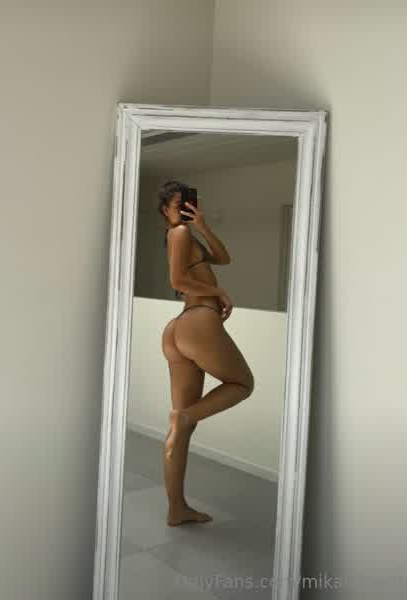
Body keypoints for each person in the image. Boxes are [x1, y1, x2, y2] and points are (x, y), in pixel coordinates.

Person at [158, 180, 255, 526]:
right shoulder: (179, 233)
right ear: (165, 211)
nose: (185, 210)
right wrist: (218, 292)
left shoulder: (188, 234)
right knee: (242, 384)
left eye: (188, 203)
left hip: (179, 328)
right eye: (178, 205)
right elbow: (177, 281)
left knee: (182, 428)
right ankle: (184, 417)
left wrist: (203, 225)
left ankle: (176, 509)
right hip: (198, 320)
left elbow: (224, 257)